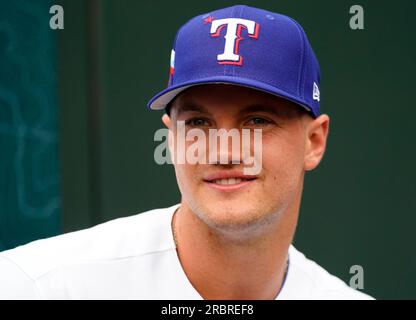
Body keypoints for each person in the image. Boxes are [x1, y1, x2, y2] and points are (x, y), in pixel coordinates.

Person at [0, 5, 373, 299]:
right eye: (198, 123)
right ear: (172, 138)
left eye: (257, 121)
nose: (225, 151)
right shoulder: (37, 287)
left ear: (314, 141)